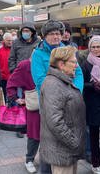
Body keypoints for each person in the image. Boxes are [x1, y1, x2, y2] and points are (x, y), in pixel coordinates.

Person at [31, 19, 84, 174]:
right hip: (50, 102)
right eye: (52, 34)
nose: (56, 37)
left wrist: (76, 92)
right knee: (50, 138)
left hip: (70, 101)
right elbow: (40, 80)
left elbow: (78, 73)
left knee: (66, 134)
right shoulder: (38, 54)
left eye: (58, 34)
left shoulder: (67, 50)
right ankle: (46, 170)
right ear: (45, 36)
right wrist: (64, 93)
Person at [40, 46, 86, 174]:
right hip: (62, 152)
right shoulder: (53, 84)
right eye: (73, 62)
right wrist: (74, 142)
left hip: (67, 150)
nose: (76, 65)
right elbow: (55, 121)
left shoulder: (62, 81)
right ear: (61, 64)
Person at [81, 35, 100, 174]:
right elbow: (81, 83)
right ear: (89, 48)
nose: (96, 49)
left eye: (98, 46)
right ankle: (95, 163)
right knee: (93, 136)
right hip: (92, 103)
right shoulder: (86, 64)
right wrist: (93, 86)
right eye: (93, 47)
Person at [7, 58, 40, 173]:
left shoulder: (51, 61)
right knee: (34, 133)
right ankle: (29, 159)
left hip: (50, 103)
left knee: (49, 133)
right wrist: (16, 98)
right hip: (34, 103)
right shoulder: (26, 65)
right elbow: (11, 83)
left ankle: (46, 157)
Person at [9, 22, 40, 138]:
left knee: (32, 101)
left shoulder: (38, 42)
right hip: (20, 76)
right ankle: (20, 125)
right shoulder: (16, 42)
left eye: (27, 31)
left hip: (34, 76)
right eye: (23, 31)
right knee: (19, 100)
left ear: (32, 32)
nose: (25, 33)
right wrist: (14, 72)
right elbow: (11, 58)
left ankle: (32, 124)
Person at [0, 32, 13, 104]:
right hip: (3, 78)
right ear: (4, 40)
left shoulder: (14, 50)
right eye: (8, 40)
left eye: (11, 40)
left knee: (13, 97)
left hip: (13, 78)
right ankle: (7, 112)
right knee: (5, 97)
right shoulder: (0, 50)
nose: (10, 42)